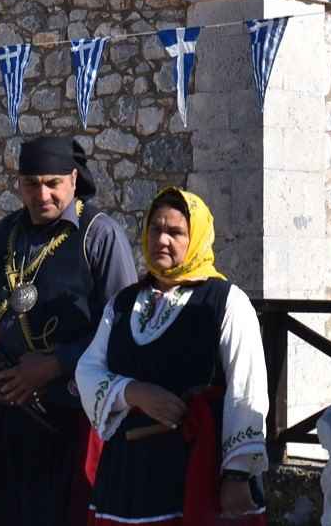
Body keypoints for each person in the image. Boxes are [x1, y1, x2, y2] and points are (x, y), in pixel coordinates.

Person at [0, 137, 137, 526]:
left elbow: (121, 331)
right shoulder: (7, 232)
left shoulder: (99, 236)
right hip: (2, 410)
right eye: (32, 184)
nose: (43, 195)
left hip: (68, 418)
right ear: (19, 183)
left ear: (73, 178)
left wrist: (56, 364)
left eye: (53, 183)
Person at [75, 187, 269, 525]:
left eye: (176, 232)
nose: (162, 240)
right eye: (155, 229)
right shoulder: (122, 304)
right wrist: (130, 391)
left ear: (195, 238)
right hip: (127, 473)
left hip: (196, 466)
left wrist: (237, 474)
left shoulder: (225, 302)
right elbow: (88, 370)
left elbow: (246, 390)